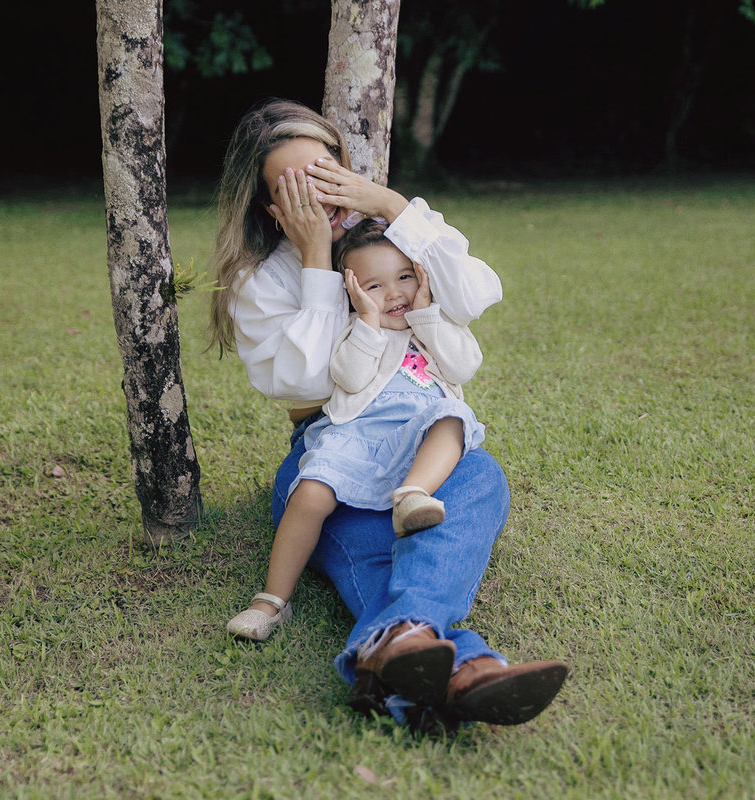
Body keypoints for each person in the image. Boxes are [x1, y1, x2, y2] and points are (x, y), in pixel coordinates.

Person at [208, 98, 567, 732]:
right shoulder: (261, 279)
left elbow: (478, 293)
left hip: (420, 450)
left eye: (326, 170)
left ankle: (400, 654)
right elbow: (302, 379)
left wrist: (394, 205)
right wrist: (317, 260)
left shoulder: (394, 238)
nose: (318, 195)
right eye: (294, 186)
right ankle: (463, 667)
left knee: (479, 478)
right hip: (331, 455)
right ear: (270, 205)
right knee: (378, 553)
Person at [226, 219, 488, 644]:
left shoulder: (434, 325)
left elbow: (462, 366)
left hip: (417, 436)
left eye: (404, 277)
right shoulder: (355, 330)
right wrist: (367, 322)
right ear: (352, 292)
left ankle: (412, 495)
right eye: (374, 286)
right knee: (311, 492)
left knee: (451, 417)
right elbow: (347, 377)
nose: (394, 294)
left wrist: (425, 314)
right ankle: (271, 600)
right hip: (356, 436)